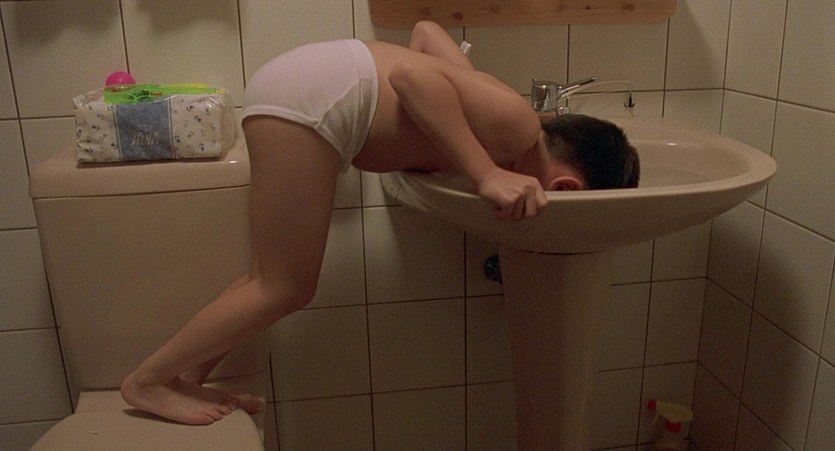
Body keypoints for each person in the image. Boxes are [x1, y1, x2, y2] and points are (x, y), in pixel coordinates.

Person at [120, 20, 639, 425]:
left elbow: (426, 35)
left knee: (267, 277)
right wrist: (484, 174)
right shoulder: (520, 126)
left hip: (300, 88)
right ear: (567, 188)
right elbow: (411, 77)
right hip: (314, 100)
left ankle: (186, 378)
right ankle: (148, 382)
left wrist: (459, 92)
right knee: (287, 287)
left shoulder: (498, 110)